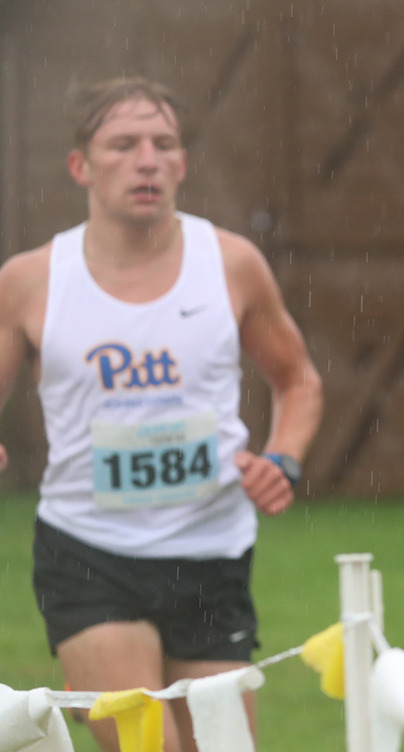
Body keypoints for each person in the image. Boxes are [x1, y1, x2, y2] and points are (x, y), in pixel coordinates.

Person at [0, 78, 324, 752]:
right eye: (123, 145)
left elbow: (298, 381)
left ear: (182, 164)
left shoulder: (232, 265)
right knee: (150, 750)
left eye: (164, 144)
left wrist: (282, 459)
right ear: (80, 166)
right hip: (88, 554)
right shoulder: (31, 280)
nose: (146, 160)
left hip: (211, 551)